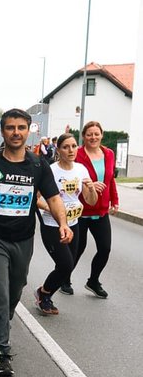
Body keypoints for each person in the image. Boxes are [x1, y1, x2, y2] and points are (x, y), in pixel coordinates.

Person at [0, 109, 71, 377]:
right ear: (2, 131)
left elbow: (54, 197)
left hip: (23, 238)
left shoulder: (37, 165)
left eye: (21, 127)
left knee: (15, 289)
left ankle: (2, 321)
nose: (16, 132)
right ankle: (2, 351)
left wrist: (63, 223)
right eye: (10, 127)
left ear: (28, 130)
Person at [34, 133, 97, 315]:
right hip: (53, 225)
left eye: (74, 146)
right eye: (65, 147)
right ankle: (44, 293)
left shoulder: (81, 169)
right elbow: (35, 199)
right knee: (65, 265)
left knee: (69, 265)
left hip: (74, 223)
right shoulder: (50, 170)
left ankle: (45, 293)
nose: (71, 150)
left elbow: (90, 201)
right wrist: (51, 207)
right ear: (58, 150)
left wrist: (91, 188)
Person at [63, 120, 119, 298]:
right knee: (78, 248)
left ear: (101, 135)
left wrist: (115, 200)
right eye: (89, 134)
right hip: (80, 210)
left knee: (105, 248)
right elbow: (68, 177)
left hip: (101, 211)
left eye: (96, 134)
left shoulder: (108, 154)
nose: (93, 137)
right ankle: (64, 278)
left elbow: (110, 179)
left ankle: (93, 281)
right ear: (83, 136)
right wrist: (89, 185)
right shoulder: (77, 154)